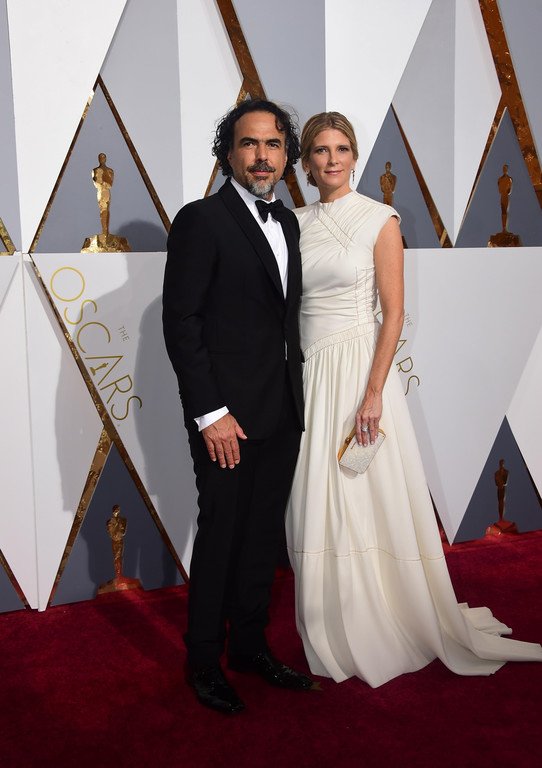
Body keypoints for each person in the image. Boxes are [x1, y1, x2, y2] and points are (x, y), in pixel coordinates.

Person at [286, 111, 542, 687]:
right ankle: (333, 620)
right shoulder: (292, 223)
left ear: (355, 157)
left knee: (365, 494)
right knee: (316, 499)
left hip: (359, 371)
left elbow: (394, 312)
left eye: (342, 148)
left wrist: (374, 392)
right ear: (305, 163)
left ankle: (384, 618)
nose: (331, 159)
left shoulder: (380, 218)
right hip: (309, 374)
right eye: (321, 150)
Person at [163, 99, 312, 714]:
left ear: (286, 155)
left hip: (281, 409)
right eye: (249, 143)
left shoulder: (290, 223)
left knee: (261, 536)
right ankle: (203, 659)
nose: (262, 155)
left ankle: (250, 646)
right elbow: (182, 323)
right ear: (229, 153)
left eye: (273, 144)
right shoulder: (201, 220)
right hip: (225, 418)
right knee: (222, 534)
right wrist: (210, 413)